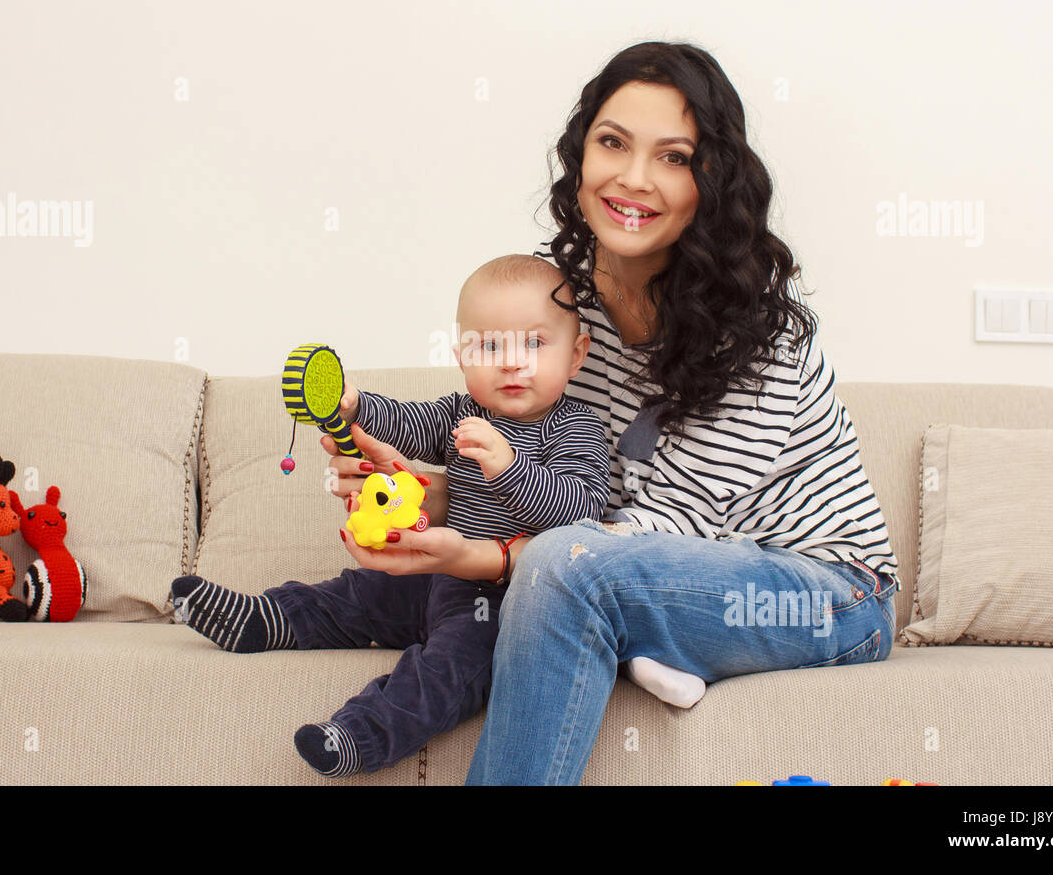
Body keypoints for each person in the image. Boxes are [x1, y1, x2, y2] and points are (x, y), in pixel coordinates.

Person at [326, 40, 899, 785]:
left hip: (825, 591)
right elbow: (564, 487)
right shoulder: (559, 309)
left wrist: (489, 554)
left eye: (674, 156)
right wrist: (421, 498)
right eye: (613, 143)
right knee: (545, 572)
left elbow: (654, 527)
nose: (633, 178)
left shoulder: (759, 337)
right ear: (580, 155)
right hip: (638, 568)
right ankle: (654, 651)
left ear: (711, 181)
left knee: (565, 568)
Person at [170, 254, 610, 777]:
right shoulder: (460, 413)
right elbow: (407, 422)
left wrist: (507, 466)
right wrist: (354, 406)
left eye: (535, 343)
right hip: (438, 575)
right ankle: (265, 619)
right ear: (462, 356)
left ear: (577, 354)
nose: (512, 362)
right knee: (355, 593)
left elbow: (578, 511)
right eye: (490, 345)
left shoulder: (576, 429)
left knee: (447, 667)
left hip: (507, 601)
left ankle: (362, 733)